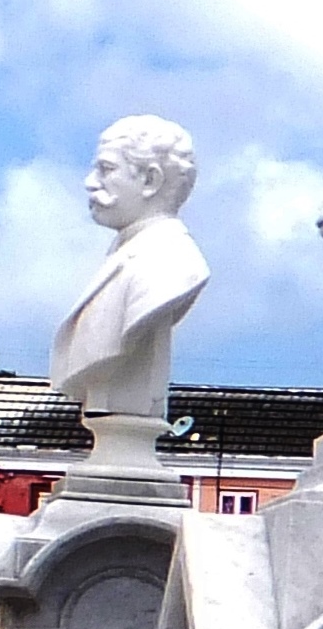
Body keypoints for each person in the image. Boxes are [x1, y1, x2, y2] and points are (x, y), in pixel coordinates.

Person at [50, 117, 209, 487]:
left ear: (150, 180)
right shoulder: (128, 255)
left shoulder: (170, 263)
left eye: (106, 170)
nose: (91, 182)